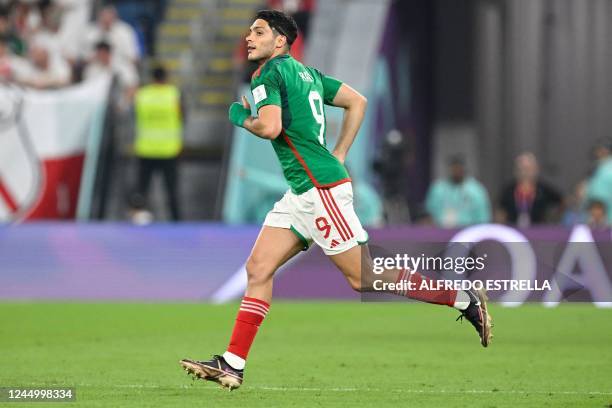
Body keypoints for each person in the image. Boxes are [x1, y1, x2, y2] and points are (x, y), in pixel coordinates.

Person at [179, 10, 492, 390]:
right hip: (303, 191)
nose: (248, 37)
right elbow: (357, 101)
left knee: (363, 277)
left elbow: (271, 126)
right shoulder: (309, 74)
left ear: (280, 41)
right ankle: (233, 363)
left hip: (320, 192)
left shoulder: (267, 75)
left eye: (258, 31)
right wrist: (340, 152)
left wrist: (240, 116)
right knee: (258, 268)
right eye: (249, 31)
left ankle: (462, 299)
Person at [131, 65, 182, 221]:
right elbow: (182, 116)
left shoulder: (142, 95)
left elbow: (134, 116)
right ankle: (176, 222)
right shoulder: (174, 94)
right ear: (166, 78)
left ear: (152, 78)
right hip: (169, 150)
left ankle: (137, 219)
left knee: (142, 189)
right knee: (171, 190)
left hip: (146, 149)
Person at [497, 152, 562, 227]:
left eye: (528, 169)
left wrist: (553, 219)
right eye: (521, 169)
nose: (525, 173)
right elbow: (500, 213)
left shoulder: (544, 189)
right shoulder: (508, 190)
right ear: (515, 171)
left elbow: (561, 202)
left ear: (535, 170)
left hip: (540, 232)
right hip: (513, 232)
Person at [425, 155, 491, 228]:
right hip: (440, 231)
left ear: (464, 169)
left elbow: (483, 217)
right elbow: (429, 213)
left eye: (458, 168)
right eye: (454, 168)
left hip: (468, 232)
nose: (456, 171)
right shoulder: (438, 188)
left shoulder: (476, 190)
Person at [586, 138, 612, 224]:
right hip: (597, 217)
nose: (597, 152)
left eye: (600, 149)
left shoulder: (608, 167)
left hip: (607, 217)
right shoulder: (600, 166)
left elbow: (600, 194)